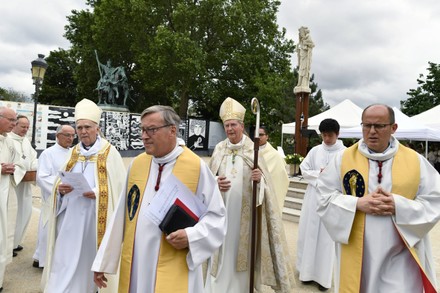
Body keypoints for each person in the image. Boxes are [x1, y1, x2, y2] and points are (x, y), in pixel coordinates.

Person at [92, 105, 227, 292]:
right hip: (137, 262)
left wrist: (191, 236)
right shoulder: (137, 164)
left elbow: (217, 217)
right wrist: (103, 262)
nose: (144, 136)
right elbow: (121, 215)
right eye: (142, 129)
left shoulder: (196, 167)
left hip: (175, 261)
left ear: (172, 130)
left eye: (152, 129)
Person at [316, 104, 440, 292]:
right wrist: (357, 203)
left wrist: (398, 205)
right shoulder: (343, 159)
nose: (371, 131)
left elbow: (434, 200)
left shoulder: (415, 161)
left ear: (393, 128)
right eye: (366, 125)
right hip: (359, 254)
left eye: (379, 126)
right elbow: (323, 197)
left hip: (401, 255)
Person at [207, 97, 294, 292]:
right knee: (221, 249)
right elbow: (207, 178)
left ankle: (241, 286)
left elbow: (267, 188)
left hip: (244, 218)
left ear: (242, 125)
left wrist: (259, 179)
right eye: (227, 125)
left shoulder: (252, 151)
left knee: (241, 251)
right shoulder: (220, 149)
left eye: (233, 125)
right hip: (222, 211)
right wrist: (215, 182)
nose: (229, 129)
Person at [42, 99, 126, 293]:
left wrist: (98, 193)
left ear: (97, 128)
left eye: (87, 127)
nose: (83, 131)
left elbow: (119, 187)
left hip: (95, 219)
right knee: (66, 256)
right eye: (79, 127)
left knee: (90, 257)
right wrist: (60, 190)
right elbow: (58, 181)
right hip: (70, 217)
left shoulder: (110, 153)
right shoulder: (73, 153)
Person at [296, 118, 345, 291]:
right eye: (323, 135)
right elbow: (305, 169)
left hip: (332, 199)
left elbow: (346, 176)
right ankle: (306, 272)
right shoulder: (315, 151)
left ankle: (323, 279)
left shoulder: (345, 153)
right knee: (309, 234)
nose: (326, 138)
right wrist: (320, 175)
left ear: (337, 134)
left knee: (326, 239)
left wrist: (327, 177)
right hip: (313, 197)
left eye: (330, 135)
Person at [32, 124, 76, 269]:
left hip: (69, 197)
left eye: (72, 135)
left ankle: (57, 260)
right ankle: (42, 259)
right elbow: (42, 177)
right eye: (67, 135)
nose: (70, 138)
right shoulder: (48, 153)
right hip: (53, 198)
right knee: (47, 230)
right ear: (58, 136)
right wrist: (58, 187)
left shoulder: (74, 153)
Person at [0, 107, 25, 292]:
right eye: (11, 120)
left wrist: (13, 167)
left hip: (5, 195)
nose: (13, 124)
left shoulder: (9, 142)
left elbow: (19, 162)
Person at [8, 115, 38, 255]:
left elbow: (32, 157)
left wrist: (34, 168)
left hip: (25, 184)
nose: (25, 130)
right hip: (12, 184)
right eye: (23, 127)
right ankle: (8, 245)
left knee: (25, 212)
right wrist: (20, 171)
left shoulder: (25, 141)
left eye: (27, 127)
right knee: (11, 213)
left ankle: (16, 241)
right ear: (15, 125)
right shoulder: (7, 140)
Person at [258, 125, 289, 213]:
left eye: (261, 134)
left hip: (267, 193)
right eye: (256, 134)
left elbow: (281, 176)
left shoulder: (275, 155)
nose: (258, 137)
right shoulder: (249, 151)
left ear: (267, 136)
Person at [295, 26, 314, 92]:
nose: (300, 34)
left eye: (301, 33)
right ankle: (299, 83)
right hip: (302, 57)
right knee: (300, 70)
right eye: (300, 33)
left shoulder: (308, 38)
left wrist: (306, 44)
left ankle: (303, 83)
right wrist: (298, 49)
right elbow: (300, 48)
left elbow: (312, 45)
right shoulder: (301, 41)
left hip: (306, 58)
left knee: (304, 70)